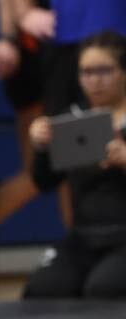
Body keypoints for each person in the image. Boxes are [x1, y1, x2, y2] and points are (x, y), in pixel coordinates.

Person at [22, 31, 126, 299]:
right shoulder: (72, 121)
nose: (94, 80)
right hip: (85, 236)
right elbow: (44, 183)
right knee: (42, 289)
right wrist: (42, 147)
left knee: (103, 289)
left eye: (104, 71)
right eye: (86, 72)